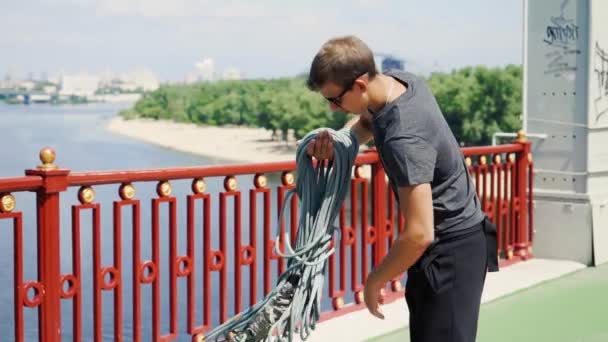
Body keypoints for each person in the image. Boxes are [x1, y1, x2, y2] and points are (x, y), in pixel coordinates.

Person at [305, 35, 498, 342]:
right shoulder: (402, 83)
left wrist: (374, 280)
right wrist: (340, 142)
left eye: (335, 100)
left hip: (449, 255)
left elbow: (420, 233)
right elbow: (369, 121)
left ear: (360, 84)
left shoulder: (403, 140)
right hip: (460, 243)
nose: (332, 109)